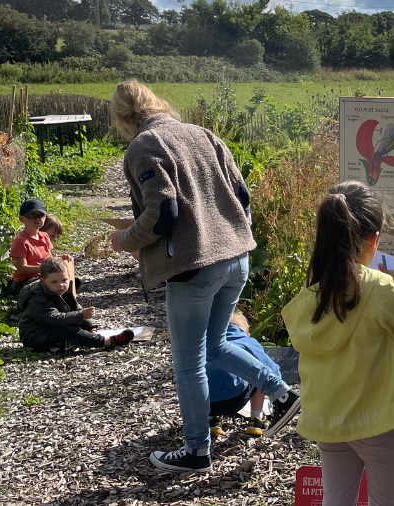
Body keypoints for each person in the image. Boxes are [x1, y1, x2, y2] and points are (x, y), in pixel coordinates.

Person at [106, 79, 300, 473]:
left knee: (189, 363)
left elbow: (164, 214)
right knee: (214, 345)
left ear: (123, 118)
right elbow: (242, 197)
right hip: (237, 257)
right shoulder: (203, 134)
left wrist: (124, 239)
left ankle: (197, 451)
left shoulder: (144, 146)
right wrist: (229, 237)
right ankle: (281, 392)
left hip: (195, 267)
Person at [280, 181, 394, 506]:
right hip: (381, 417)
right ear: (374, 239)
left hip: (327, 419)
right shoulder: (382, 289)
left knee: (336, 498)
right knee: (388, 500)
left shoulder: (307, 300)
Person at [18, 258, 133, 352]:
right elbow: (53, 319)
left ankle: (65, 345)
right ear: (43, 282)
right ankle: (107, 342)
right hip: (35, 336)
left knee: (74, 331)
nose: (61, 285)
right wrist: (81, 315)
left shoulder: (63, 292)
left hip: (51, 330)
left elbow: (76, 309)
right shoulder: (38, 297)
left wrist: (91, 327)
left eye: (64, 280)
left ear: (69, 277)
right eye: (54, 282)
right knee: (71, 330)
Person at [208, 312, 280, 437]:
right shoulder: (248, 342)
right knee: (259, 372)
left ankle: (212, 420)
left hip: (204, 403)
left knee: (211, 374)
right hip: (234, 398)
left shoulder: (208, 343)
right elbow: (272, 371)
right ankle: (257, 419)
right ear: (247, 334)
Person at [9, 199, 71, 296]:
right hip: (25, 282)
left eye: (41, 215)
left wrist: (58, 259)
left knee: (66, 281)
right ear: (22, 219)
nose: (37, 219)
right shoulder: (21, 241)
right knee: (49, 286)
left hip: (44, 275)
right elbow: (22, 269)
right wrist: (44, 268)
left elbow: (48, 259)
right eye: (32, 216)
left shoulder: (44, 236)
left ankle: (69, 306)